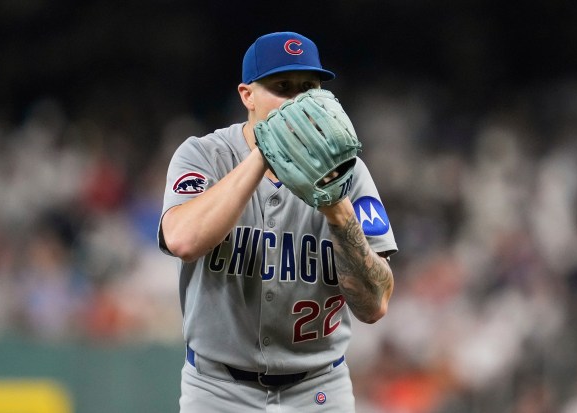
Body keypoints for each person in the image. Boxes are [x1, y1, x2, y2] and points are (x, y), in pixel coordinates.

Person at [158, 31, 398, 413]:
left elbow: (375, 305)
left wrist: (337, 209)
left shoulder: (349, 173)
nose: (297, 101)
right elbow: (183, 241)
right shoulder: (204, 156)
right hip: (217, 389)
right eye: (282, 87)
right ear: (247, 95)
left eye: (308, 87)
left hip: (318, 389)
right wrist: (266, 153)